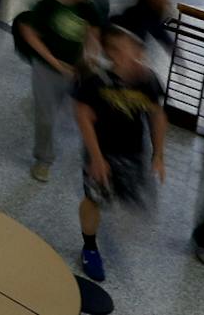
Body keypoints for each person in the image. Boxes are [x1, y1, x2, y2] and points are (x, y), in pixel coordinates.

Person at [71, 25, 168, 282]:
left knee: (129, 199)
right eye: (124, 50)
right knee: (94, 200)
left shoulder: (148, 81)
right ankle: (89, 247)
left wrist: (158, 154)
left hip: (132, 153)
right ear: (112, 53)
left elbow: (156, 115)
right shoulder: (96, 81)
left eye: (135, 49)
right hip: (102, 152)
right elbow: (83, 116)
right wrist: (97, 158)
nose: (134, 56)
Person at [18, 0, 99, 183]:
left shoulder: (87, 7)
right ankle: (44, 160)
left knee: (77, 113)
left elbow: (93, 32)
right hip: (46, 70)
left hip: (76, 71)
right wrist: (56, 63)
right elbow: (29, 34)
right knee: (45, 117)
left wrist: (90, 56)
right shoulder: (47, 6)